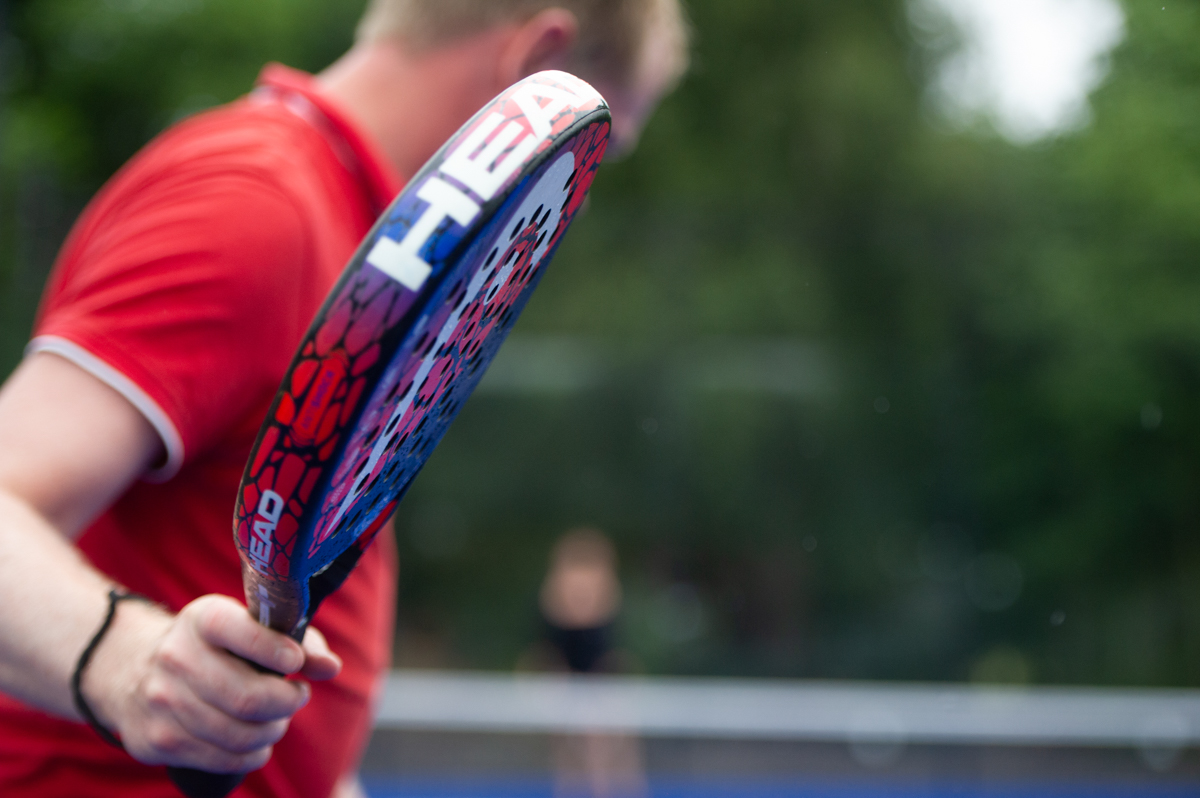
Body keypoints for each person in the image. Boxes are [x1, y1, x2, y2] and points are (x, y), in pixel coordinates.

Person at [0, 2, 689, 796]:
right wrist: (127, 664)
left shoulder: (356, 240)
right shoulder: (258, 207)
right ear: (537, 59)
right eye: (593, 154)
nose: (582, 197)